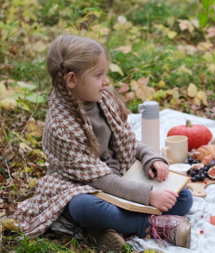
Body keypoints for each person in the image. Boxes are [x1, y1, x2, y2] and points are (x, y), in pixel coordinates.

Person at [10, 35, 193, 251]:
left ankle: (104, 229)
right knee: (83, 207)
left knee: (183, 198)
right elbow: (100, 180)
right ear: (72, 80)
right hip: (82, 185)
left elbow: (126, 141)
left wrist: (149, 158)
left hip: (119, 177)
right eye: (99, 75)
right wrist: (148, 196)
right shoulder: (61, 125)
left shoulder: (102, 98)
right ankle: (148, 224)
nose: (106, 81)